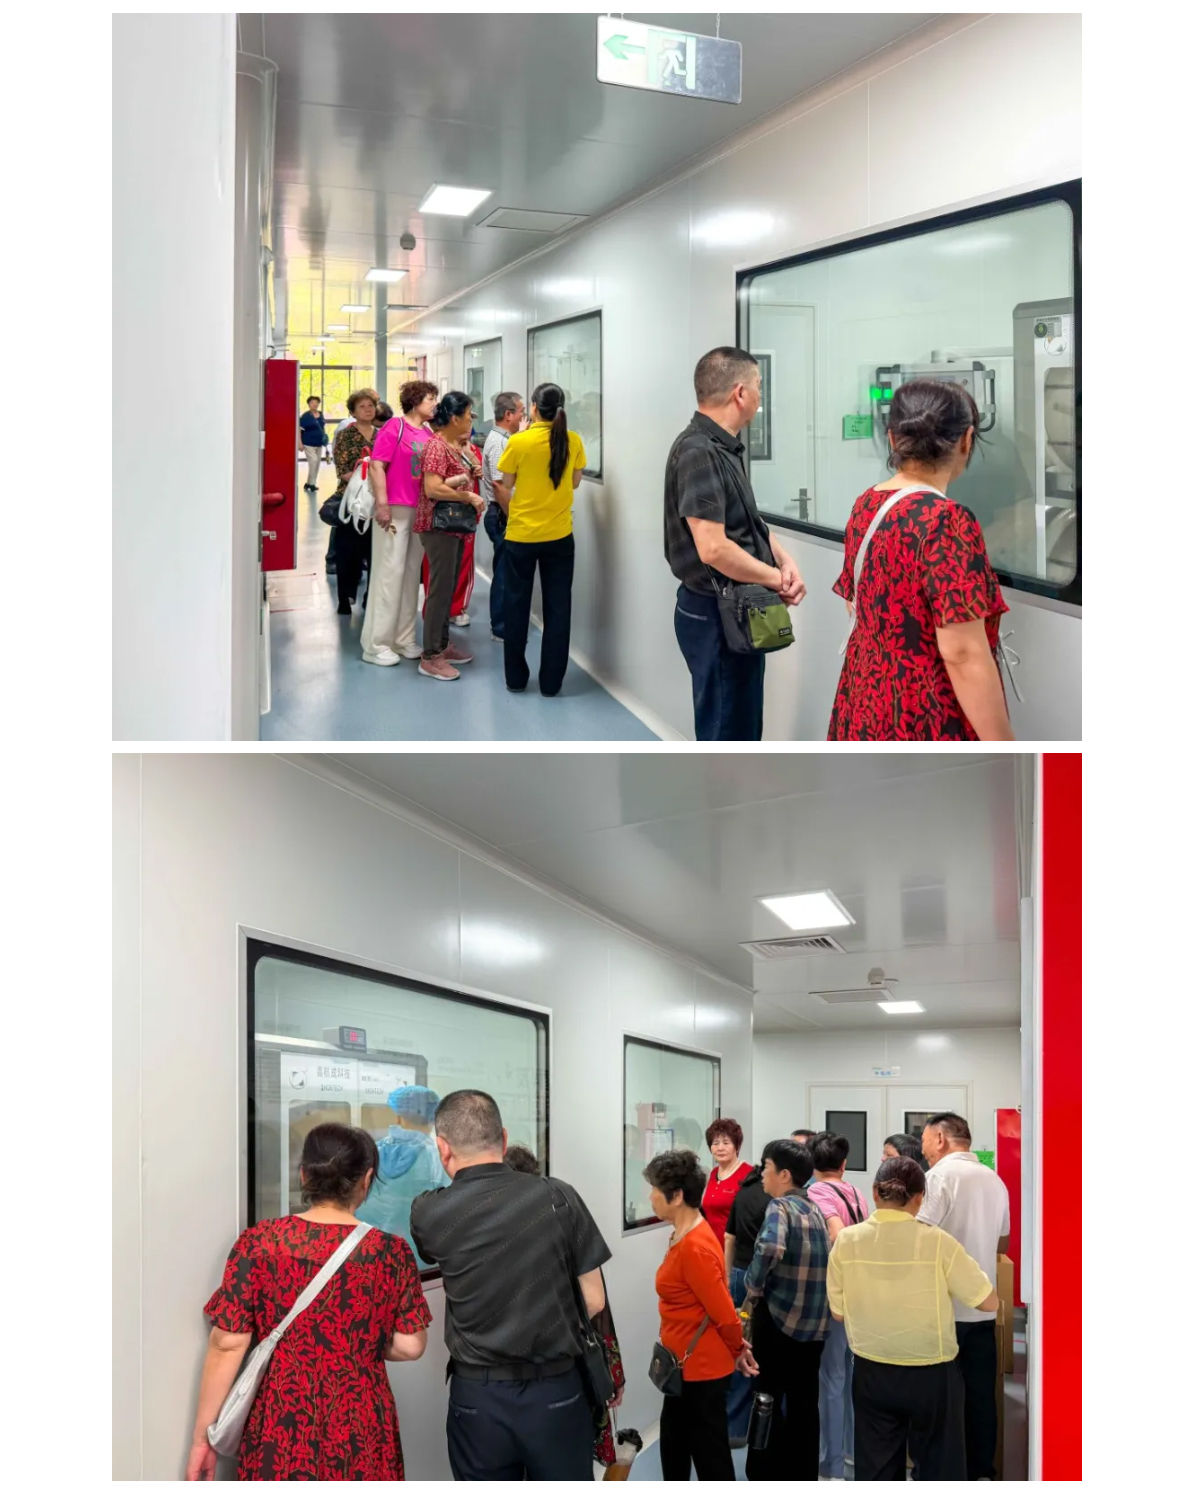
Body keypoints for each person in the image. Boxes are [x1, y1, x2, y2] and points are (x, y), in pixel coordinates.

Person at [186, 1123, 430, 1482]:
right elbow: (410, 1346)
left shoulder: (259, 1242)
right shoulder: (389, 1252)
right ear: (366, 1180)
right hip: (360, 1421)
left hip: (280, 1417)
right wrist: (354, 1343)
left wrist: (201, 1441)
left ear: (304, 1175)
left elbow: (227, 1343)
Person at [410, 1090, 614, 1481]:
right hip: (556, 1392)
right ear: (503, 1140)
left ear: (442, 1148)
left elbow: (431, 1253)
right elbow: (594, 1299)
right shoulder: (558, 1195)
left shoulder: (429, 1211)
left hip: (478, 1399)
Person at [829, 378, 1016, 741]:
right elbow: (961, 651)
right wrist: (1004, 744)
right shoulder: (947, 520)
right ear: (967, 439)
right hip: (923, 713)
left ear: (892, 438)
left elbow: (856, 602)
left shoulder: (867, 504)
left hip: (864, 700)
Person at [664, 347, 807, 741]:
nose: (761, 395)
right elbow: (713, 549)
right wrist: (776, 580)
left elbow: (746, 521)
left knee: (741, 723)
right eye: (759, 386)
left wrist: (783, 559)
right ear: (740, 393)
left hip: (735, 608)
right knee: (727, 732)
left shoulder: (723, 447)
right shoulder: (698, 451)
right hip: (715, 613)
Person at [827, 1156, 997, 1481]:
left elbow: (837, 1312)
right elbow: (988, 1302)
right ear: (921, 1198)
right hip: (932, 1373)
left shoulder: (847, 1241)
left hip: (872, 1371)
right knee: (938, 1468)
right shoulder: (939, 1241)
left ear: (874, 1191)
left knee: (876, 1469)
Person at [499, 1143, 629, 1473]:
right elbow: (598, 1306)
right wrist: (614, 1374)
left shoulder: (501, 1234)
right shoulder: (563, 1214)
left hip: (520, 1379)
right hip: (569, 1368)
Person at [644, 1147, 756, 1481]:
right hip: (684, 1368)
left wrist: (738, 1349)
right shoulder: (682, 1234)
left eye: (654, 1189)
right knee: (675, 1449)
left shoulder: (695, 1246)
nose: (650, 1197)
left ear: (677, 1195)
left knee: (710, 1458)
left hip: (700, 1370)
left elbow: (723, 1313)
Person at [918, 1113, 1011, 1481]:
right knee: (980, 1397)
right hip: (983, 1307)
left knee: (940, 1400)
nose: (924, 1150)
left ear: (941, 1138)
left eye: (925, 1140)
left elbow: (919, 1238)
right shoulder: (994, 1180)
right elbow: (1002, 1241)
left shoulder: (938, 1177)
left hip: (943, 1310)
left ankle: (942, 1473)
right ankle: (980, 1471)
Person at [742, 1138, 830, 1482]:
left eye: (766, 1167)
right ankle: (803, 1473)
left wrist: (752, 1286)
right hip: (814, 1327)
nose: (762, 1174)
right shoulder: (815, 1209)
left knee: (766, 1397)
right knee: (805, 1403)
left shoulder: (780, 1207)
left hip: (779, 1322)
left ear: (784, 1174)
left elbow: (769, 1249)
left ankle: (763, 1472)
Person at [495, 381, 586, 696]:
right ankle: (551, 683)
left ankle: (516, 679)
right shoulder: (573, 440)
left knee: (516, 605)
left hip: (521, 535)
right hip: (559, 536)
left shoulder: (519, 442)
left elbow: (507, 483)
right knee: (558, 609)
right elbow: (575, 482)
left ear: (533, 407)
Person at [361, 380, 440, 667]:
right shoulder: (395, 427)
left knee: (409, 575)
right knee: (389, 573)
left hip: (419, 510)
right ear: (415, 401)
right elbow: (377, 466)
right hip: (395, 508)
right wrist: (382, 504)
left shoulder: (428, 432)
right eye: (430, 399)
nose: (435, 404)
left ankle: (404, 638)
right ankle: (376, 644)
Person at [807, 1132, 871, 1481]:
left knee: (831, 1379)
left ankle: (831, 1467)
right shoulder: (855, 1192)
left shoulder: (816, 1192)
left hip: (832, 1295)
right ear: (843, 1164)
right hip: (857, 1295)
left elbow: (837, 1234)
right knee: (848, 1377)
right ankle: (850, 1454)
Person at [417, 392, 485, 681]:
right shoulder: (436, 446)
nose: (471, 420)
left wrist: (469, 471)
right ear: (455, 418)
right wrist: (468, 495)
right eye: (468, 415)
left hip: (454, 527)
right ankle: (430, 656)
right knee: (440, 590)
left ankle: (442, 645)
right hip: (439, 527)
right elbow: (432, 488)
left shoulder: (453, 446)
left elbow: (449, 479)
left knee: (448, 589)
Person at [355, 1085, 448, 1267]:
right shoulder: (438, 1157)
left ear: (398, 1116)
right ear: (434, 1118)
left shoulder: (371, 1152)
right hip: (420, 1263)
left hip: (371, 1254)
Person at [723, 1152, 771, 1447]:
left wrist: (727, 1279)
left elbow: (729, 1238)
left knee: (741, 1346)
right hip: (761, 1281)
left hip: (738, 1277)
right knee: (757, 1352)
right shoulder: (775, 1199)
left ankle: (734, 1425)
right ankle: (755, 1426)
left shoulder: (743, 1192)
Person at [481, 391, 526, 640]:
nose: (523, 417)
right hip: (502, 514)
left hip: (503, 512)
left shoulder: (506, 439)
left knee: (507, 571)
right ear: (509, 415)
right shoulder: (500, 443)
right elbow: (500, 487)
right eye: (521, 412)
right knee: (504, 573)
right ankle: (500, 628)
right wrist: (512, 518)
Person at [329, 388, 378, 614]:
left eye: (371, 405)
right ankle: (344, 598)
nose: (368, 410)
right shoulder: (346, 435)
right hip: (351, 500)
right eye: (362, 406)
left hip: (377, 500)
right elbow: (343, 470)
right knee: (348, 552)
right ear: (353, 412)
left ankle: (370, 597)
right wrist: (367, 482)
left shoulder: (382, 435)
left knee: (374, 552)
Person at [702, 1118, 752, 1246]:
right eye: (715, 1143)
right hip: (712, 1246)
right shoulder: (713, 1173)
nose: (720, 1148)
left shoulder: (748, 1174)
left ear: (737, 1146)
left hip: (736, 1248)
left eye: (726, 1143)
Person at [299, 395, 327, 492]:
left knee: (317, 464)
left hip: (319, 442)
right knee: (313, 462)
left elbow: (322, 427)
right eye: (312, 402)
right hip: (308, 443)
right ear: (309, 404)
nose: (314, 404)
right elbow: (299, 430)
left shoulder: (321, 414)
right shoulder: (305, 416)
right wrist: (299, 443)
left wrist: (325, 438)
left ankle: (308, 483)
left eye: (316, 402)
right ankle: (312, 484)